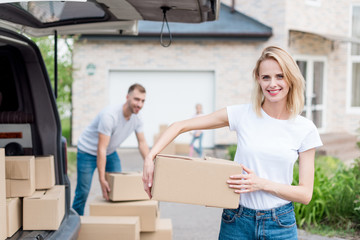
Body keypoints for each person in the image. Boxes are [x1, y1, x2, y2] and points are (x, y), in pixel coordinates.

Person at [143, 46, 323, 239]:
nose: (272, 84)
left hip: (280, 224)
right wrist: (150, 157)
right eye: (266, 77)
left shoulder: (305, 129)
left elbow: (305, 194)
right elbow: (180, 126)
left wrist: (261, 183)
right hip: (237, 220)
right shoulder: (242, 115)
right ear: (258, 80)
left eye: (280, 76)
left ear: (291, 78)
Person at [72, 83, 149, 215]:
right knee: (83, 191)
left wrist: (149, 164)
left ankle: (111, 221)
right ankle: (74, 222)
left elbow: (142, 143)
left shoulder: (138, 117)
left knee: (117, 186)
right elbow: (101, 148)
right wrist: (102, 179)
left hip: (109, 152)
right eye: (136, 99)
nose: (139, 104)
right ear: (127, 97)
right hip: (87, 151)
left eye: (143, 101)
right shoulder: (110, 115)